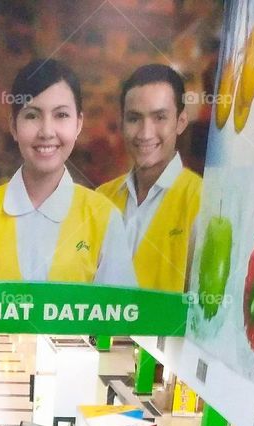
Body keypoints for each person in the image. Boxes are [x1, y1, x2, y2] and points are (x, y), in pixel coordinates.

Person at [0, 59, 136, 287]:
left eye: (61, 115)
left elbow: (118, 316)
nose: (46, 132)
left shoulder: (103, 218)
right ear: (14, 126)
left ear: (78, 124)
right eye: (32, 116)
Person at [97, 64, 202, 292]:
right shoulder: (100, 199)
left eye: (159, 117)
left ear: (181, 122)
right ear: (122, 123)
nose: (145, 133)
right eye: (134, 118)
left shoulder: (202, 201)